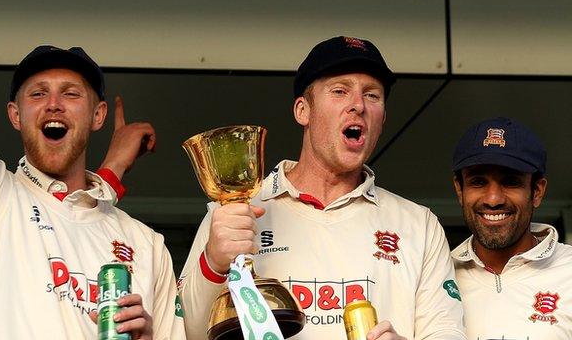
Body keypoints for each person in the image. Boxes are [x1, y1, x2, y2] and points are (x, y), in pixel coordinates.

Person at [177, 36, 467, 339]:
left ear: (383, 119)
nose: (357, 105)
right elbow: (184, 332)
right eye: (340, 91)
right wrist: (212, 261)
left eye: (372, 95)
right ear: (303, 110)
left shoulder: (419, 225)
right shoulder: (232, 213)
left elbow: (446, 332)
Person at [0, 0, 185, 339]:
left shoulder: (146, 244)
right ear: (15, 115)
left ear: (97, 115)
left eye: (71, 94)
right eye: (38, 93)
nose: (54, 104)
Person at [451, 117, 572, 339]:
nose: (493, 199)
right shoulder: (438, 274)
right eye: (478, 182)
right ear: (459, 189)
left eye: (511, 181)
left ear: (537, 191)